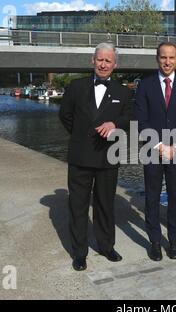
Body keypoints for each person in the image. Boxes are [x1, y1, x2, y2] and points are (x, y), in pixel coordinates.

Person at [59, 43, 133, 271]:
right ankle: (79, 253)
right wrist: (83, 135)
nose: (103, 64)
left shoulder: (124, 92)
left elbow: (131, 118)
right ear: (93, 60)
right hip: (80, 157)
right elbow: (65, 116)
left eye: (108, 61)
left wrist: (115, 124)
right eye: (99, 59)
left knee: (105, 205)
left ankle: (106, 246)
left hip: (108, 157)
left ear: (115, 65)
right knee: (78, 206)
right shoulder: (76, 87)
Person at [135, 42, 176, 261]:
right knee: (151, 198)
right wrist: (160, 146)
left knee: (174, 198)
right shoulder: (145, 85)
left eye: (171, 57)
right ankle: (154, 242)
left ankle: (173, 241)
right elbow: (141, 122)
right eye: (163, 57)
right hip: (153, 151)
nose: (167, 62)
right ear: (157, 58)